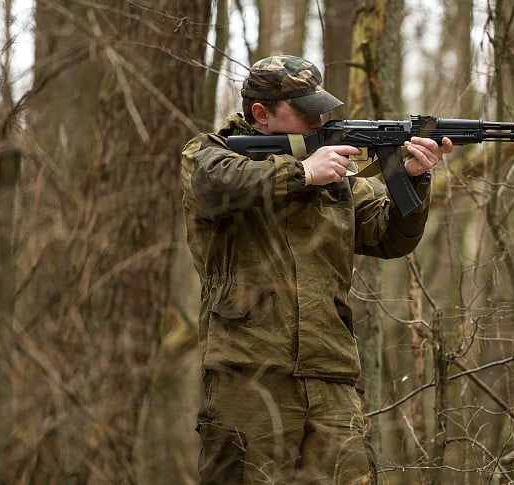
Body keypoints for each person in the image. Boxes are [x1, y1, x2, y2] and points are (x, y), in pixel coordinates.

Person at [180, 54, 452, 484]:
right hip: (249, 376)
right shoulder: (210, 153)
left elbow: (390, 238)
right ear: (260, 114)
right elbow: (214, 185)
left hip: (332, 376)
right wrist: (303, 173)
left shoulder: (338, 176)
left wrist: (413, 177)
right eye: (304, 110)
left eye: (320, 108)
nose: (319, 119)